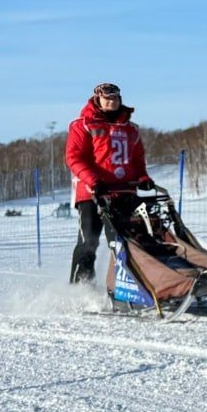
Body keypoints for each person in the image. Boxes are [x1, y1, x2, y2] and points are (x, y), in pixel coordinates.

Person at [65, 82, 157, 285]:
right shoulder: (83, 125)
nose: (111, 101)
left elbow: (137, 160)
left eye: (115, 98)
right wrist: (94, 181)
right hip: (92, 192)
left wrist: (143, 178)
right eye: (107, 98)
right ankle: (80, 289)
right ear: (97, 100)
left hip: (124, 191)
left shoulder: (131, 129)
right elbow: (74, 158)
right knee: (89, 240)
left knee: (133, 239)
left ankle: (140, 283)